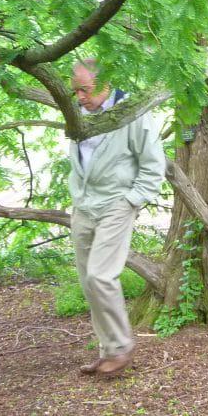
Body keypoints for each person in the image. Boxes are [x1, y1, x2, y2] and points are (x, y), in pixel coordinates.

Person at [68, 58, 165, 377]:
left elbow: (153, 166)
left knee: (100, 276)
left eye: (85, 89)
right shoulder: (76, 113)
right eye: (76, 91)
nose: (80, 97)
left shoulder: (132, 112)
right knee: (88, 282)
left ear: (106, 81)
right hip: (84, 207)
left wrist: (131, 201)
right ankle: (107, 349)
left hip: (117, 204)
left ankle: (122, 347)